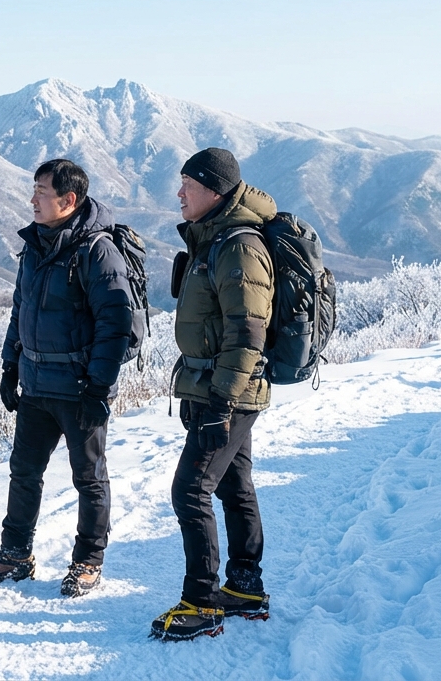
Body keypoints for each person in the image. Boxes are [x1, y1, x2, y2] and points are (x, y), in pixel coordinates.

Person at [0, 158, 134, 598]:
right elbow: (20, 309)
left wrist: (99, 386)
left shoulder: (97, 251)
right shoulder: (35, 245)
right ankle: (16, 554)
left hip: (79, 388)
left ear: (69, 200)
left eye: (41, 191)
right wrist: (9, 366)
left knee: (89, 478)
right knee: (23, 472)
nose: (33, 199)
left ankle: (88, 561)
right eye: (35, 189)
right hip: (37, 383)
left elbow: (115, 324)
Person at [152, 147, 276, 641]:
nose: (179, 193)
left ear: (217, 191)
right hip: (219, 386)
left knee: (191, 489)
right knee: (233, 483)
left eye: (189, 184)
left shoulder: (238, 247)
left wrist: (220, 403)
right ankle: (245, 588)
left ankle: (202, 601)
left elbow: (248, 332)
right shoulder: (215, 238)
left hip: (229, 391)